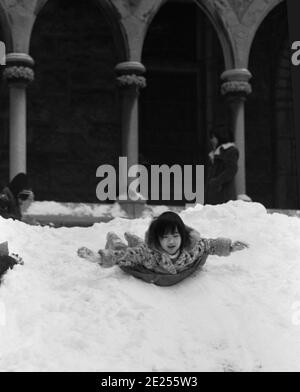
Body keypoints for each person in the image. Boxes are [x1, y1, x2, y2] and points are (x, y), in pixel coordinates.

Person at [77, 211, 248, 285]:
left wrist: (230, 247)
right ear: (157, 240)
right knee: (128, 249)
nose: (171, 241)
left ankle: (132, 237)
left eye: (175, 236)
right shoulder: (150, 251)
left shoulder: (191, 248)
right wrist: (99, 258)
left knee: (137, 243)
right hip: (146, 259)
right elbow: (127, 255)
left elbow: (209, 245)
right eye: (165, 237)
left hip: (151, 251)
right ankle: (113, 237)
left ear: (183, 235)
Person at [205, 127, 239, 205]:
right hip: (214, 193)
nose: (211, 140)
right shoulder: (215, 152)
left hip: (224, 194)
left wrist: (217, 181)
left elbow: (231, 170)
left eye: (213, 137)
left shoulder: (231, 151)